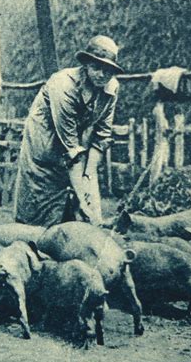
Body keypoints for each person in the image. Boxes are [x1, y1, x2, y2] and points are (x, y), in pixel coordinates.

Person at [13, 35, 123, 227]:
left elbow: (102, 136)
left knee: (88, 214)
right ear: (86, 64)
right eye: (97, 67)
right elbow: (70, 146)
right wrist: (81, 196)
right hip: (45, 146)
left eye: (108, 71)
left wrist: (88, 176)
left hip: (75, 151)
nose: (102, 75)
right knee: (41, 217)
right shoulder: (63, 85)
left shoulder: (111, 89)